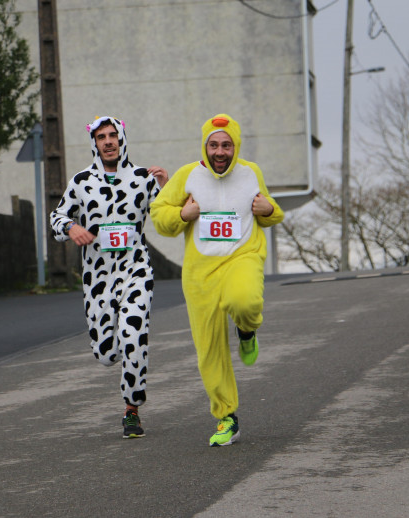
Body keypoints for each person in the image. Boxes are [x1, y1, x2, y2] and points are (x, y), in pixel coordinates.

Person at [150, 113, 283, 446]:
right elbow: (159, 214)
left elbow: (270, 211)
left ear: (235, 146)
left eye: (226, 145)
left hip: (242, 257)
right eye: (214, 145)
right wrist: (182, 214)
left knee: (246, 301)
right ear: (205, 146)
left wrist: (268, 210)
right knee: (209, 349)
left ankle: (247, 329)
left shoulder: (252, 173)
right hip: (200, 273)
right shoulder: (187, 175)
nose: (220, 151)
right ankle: (227, 416)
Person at [50, 116, 168, 438]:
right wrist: (72, 227)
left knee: (133, 334)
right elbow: (56, 216)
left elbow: (166, 216)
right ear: (95, 143)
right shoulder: (81, 181)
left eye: (113, 135)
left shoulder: (143, 178)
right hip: (97, 277)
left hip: (136, 269)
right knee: (106, 354)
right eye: (101, 137)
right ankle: (112, 354)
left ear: (122, 138)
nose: (108, 141)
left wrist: (166, 186)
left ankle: (132, 409)